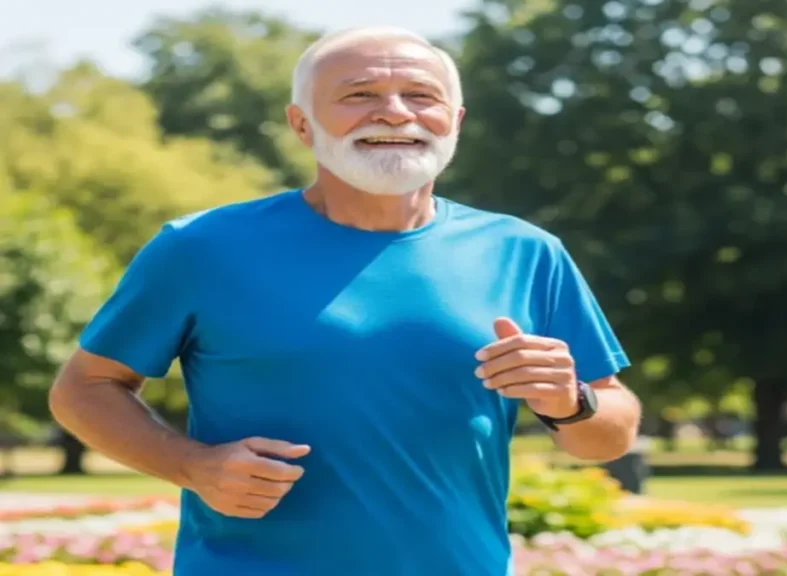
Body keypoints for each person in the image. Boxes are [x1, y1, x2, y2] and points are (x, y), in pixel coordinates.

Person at [48, 26, 641, 576]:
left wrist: (571, 400)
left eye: (420, 94)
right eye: (359, 94)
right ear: (302, 124)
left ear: (455, 120)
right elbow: (84, 388)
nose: (394, 111)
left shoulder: (523, 251)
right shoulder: (202, 247)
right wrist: (192, 466)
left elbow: (609, 433)